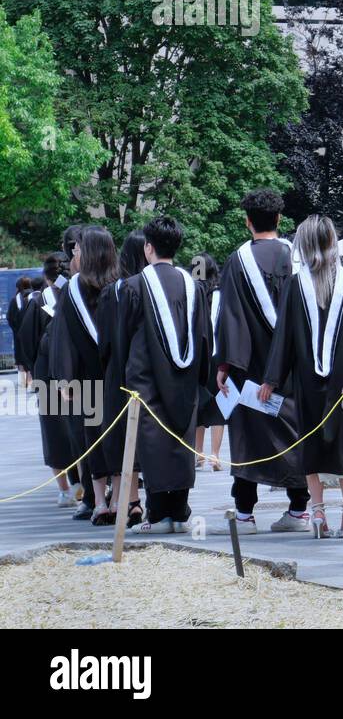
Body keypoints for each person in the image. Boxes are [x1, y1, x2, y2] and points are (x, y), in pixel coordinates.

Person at [261, 214, 343, 540]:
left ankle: (317, 512)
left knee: (311, 441)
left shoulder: (294, 286)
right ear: (333, 243)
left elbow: (283, 337)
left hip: (307, 384)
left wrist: (271, 379)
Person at [214, 189, 310, 534]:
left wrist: (224, 365)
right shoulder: (297, 257)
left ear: (247, 221)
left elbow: (230, 319)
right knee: (296, 433)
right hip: (296, 369)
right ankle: (300, 509)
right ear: (280, 220)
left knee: (249, 439)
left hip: (251, 369)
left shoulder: (236, 262)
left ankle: (244, 515)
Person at [120, 216, 212, 534]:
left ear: (148, 248)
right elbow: (203, 336)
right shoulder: (194, 286)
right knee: (180, 440)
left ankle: (157, 514)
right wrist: (202, 379)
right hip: (184, 378)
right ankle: (180, 510)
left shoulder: (133, 287)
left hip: (144, 379)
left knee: (153, 441)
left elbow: (123, 338)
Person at [45, 226, 119, 524]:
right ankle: (120, 499)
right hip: (118, 376)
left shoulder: (74, 287)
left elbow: (64, 337)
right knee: (118, 435)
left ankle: (99, 502)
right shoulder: (121, 283)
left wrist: (65, 379)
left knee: (92, 439)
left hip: (87, 378)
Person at [18, 251, 75, 506]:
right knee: (84, 428)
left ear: (45, 276)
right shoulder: (78, 297)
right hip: (79, 375)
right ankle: (87, 485)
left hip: (48, 376)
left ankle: (65, 491)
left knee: (55, 433)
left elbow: (26, 342)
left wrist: (34, 369)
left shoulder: (38, 301)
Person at [101, 230, 146, 526]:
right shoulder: (151, 287)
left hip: (118, 373)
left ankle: (132, 502)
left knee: (125, 440)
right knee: (150, 437)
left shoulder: (113, 291)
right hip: (149, 373)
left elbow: (104, 341)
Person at [192, 251, 225, 473]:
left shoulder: (191, 293)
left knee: (198, 406)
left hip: (197, 355)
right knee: (219, 407)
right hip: (219, 355)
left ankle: (198, 454)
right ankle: (215, 454)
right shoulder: (222, 294)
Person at [7, 276, 32, 375]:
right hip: (33, 334)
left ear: (18, 287)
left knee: (21, 358)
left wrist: (17, 330)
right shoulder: (35, 296)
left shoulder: (15, 300)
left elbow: (10, 317)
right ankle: (32, 380)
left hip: (19, 335)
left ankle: (23, 381)